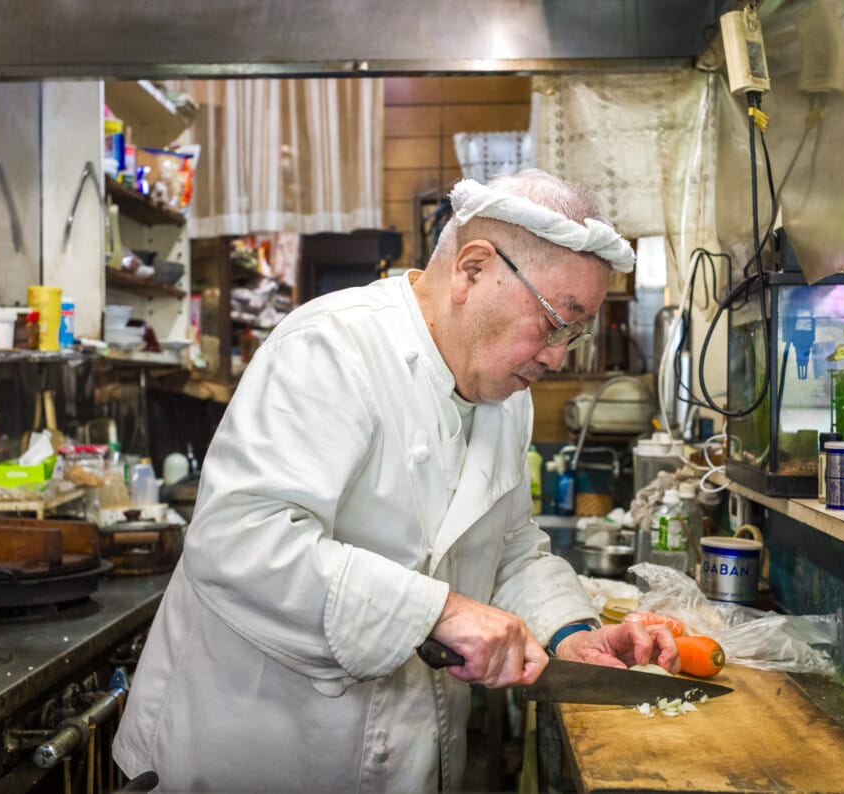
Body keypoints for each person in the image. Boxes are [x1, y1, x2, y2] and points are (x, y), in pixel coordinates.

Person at [113, 169, 679, 792]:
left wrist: (574, 634)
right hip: (254, 751)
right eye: (553, 322)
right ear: (471, 269)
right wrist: (436, 610)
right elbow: (238, 541)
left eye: (576, 333)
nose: (556, 357)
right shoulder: (331, 348)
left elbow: (510, 545)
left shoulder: (505, 395)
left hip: (405, 756)